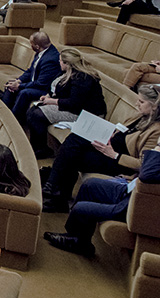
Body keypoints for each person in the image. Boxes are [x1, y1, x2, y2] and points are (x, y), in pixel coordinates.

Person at [42, 85, 160, 213]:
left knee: (74, 155)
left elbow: (143, 164)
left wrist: (114, 154)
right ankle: (55, 192)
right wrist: (110, 133)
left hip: (118, 161)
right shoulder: (141, 115)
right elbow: (123, 129)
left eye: (141, 102)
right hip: (108, 147)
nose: (137, 104)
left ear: (155, 106)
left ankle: (55, 191)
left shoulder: (156, 130)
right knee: (74, 140)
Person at [44, 144, 160, 258]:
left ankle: (80, 244)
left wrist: (158, 148)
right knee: (90, 185)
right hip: (131, 192)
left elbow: (147, 175)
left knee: (80, 208)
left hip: (137, 208)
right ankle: (78, 238)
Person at [25, 49, 106, 158]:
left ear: (67, 63)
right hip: (72, 108)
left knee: (36, 115)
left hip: (84, 113)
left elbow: (74, 103)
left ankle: (42, 150)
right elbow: (60, 89)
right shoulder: (67, 72)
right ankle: (37, 148)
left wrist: (52, 101)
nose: (59, 63)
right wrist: (49, 95)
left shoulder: (82, 78)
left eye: (60, 61)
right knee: (33, 110)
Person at [0, 31, 61, 121]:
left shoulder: (50, 59)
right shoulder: (41, 51)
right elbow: (30, 71)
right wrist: (18, 81)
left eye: (31, 43)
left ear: (37, 46)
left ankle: (14, 121)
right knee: (10, 84)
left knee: (24, 93)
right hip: (35, 83)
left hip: (44, 89)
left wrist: (19, 86)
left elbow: (41, 84)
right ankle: (3, 115)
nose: (30, 45)